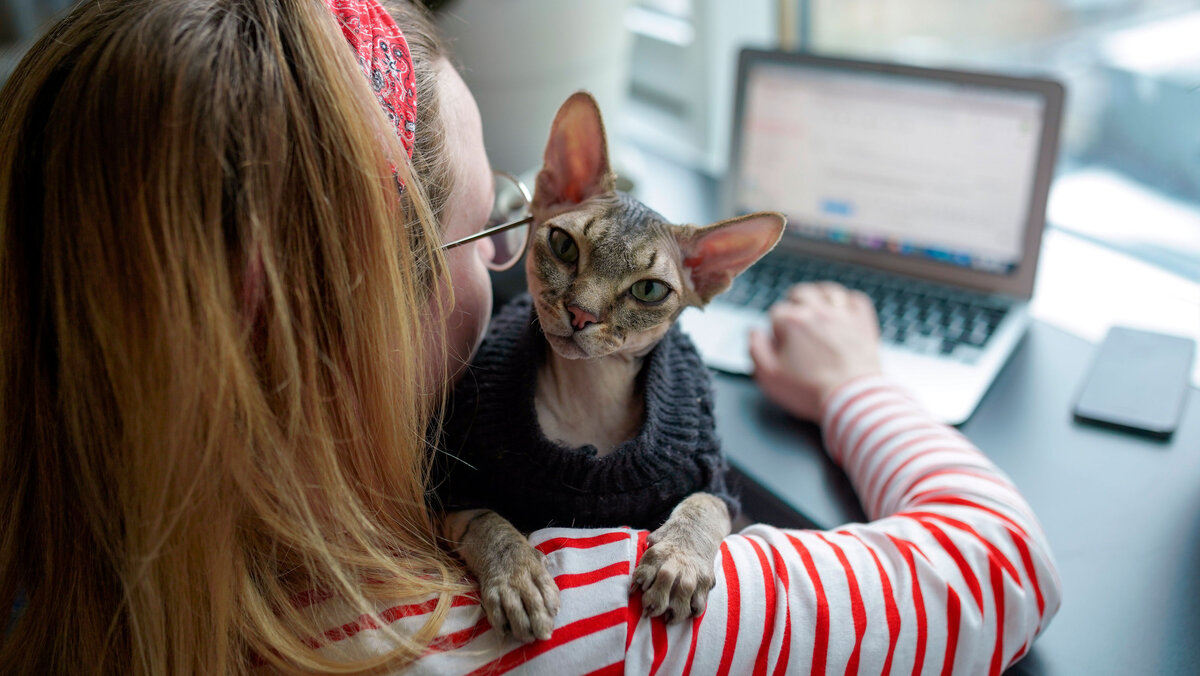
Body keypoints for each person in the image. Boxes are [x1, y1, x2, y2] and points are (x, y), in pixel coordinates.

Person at [0, 0, 1060, 673]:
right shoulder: (579, 617)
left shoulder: (46, 573)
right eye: (494, 229)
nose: (516, 268)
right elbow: (1004, 564)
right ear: (362, 321)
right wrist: (856, 387)